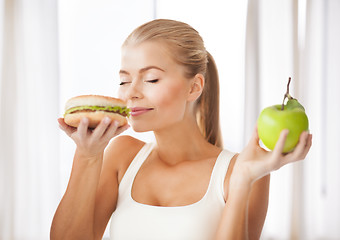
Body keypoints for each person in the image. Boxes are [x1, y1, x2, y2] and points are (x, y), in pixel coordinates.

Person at [50, 19, 312, 240]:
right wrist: (87, 155)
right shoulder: (122, 156)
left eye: (151, 79)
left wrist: (243, 178)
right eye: (124, 80)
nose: (130, 93)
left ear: (194, 87)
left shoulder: (239, 171)